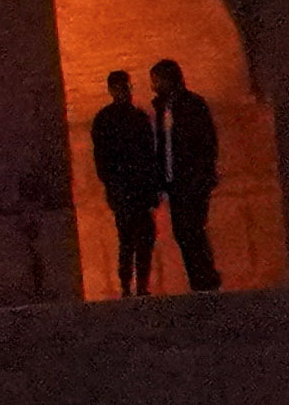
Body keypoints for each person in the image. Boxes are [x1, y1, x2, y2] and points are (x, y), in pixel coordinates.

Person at [150, 57, 224, 292]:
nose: (154, 87)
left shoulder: (193, 105)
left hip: (192, 180)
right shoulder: (164, 110)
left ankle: (205, 278)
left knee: (193, 229)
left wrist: (202, 173)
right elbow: (164, 146)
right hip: (175, 183)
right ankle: (199, 279)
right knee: (183, 231)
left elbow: (206, 142)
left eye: (157, 81)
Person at [89, 67, 164, 292]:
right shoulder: (128, 118)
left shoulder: (109, 119)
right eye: (122, 87)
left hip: (131, 190)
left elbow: (148, 154)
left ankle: (134, 285)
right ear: (113, 90)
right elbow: (104, 159)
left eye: (126, 87)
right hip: (129, 190)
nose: (126, 91)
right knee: (133, 240)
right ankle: (133, 285)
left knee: (136, 239)